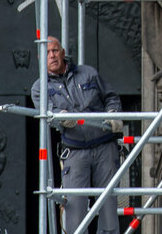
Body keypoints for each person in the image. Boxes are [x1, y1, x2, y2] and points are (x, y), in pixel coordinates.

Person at [31, 37, 123, 234]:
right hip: (75, 152)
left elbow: (111, 97)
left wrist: (114, 113)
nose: (52, 56)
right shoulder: (39, 87)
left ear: (63, 53)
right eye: (47, 53)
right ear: (40, 59)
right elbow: (46, 114)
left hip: (104, 147)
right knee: (75, 211)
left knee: (108, 207)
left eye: (55, 50)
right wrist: (59, 117)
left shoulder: (88, 73)